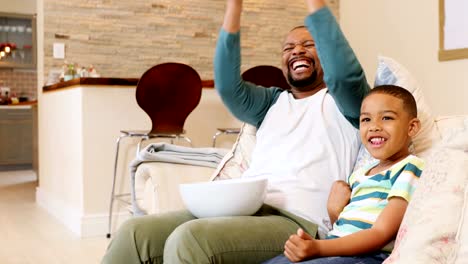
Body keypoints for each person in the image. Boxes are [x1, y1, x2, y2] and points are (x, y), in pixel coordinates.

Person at [101, 0, 369, 263]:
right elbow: (229, 87)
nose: (297, 51)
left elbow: (345, 75)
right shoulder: (271, 103)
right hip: (245, 207)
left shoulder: (347, 102)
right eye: (288, 48)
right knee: (134, 233)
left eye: (309, 45)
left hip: (298, 220)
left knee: (190, 239)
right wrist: (234, 7)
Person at [263, 85, 425, 264]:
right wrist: (334, 211)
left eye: (386, 117)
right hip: (335, 248)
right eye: (366, 120)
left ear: (412, 127)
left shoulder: (410, 167)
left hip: (369, 255)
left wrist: (318, 248)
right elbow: (345, 228)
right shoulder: (360, 175)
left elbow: (380, 233)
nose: (374, 127)